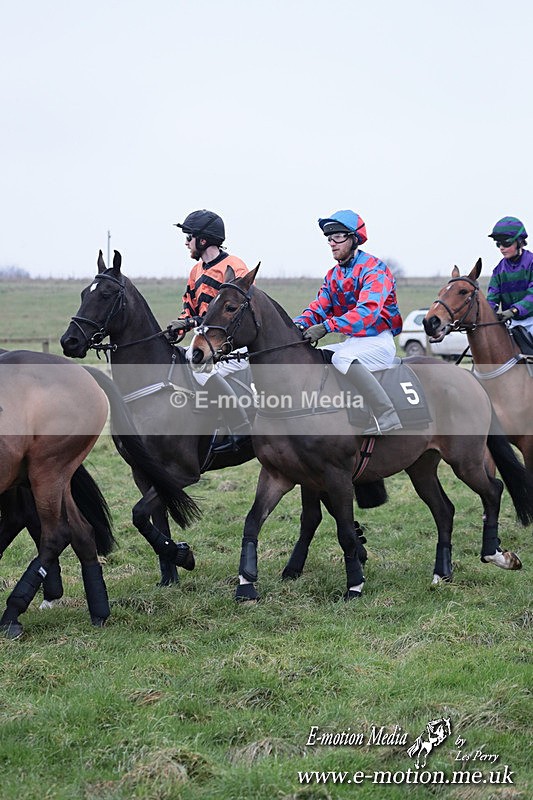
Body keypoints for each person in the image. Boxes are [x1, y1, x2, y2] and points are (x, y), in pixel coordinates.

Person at [294, 210, 403, 435]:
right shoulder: (333, 275)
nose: (332, 243)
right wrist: (297, 325)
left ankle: (387, 413)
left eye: (338, 237)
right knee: (318, 356)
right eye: (329, 239)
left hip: (378, 342)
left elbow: (367, 313)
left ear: (354, 238)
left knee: (341, 357)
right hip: (354, 343)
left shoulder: (375, 269)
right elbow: (319, 308)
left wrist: (327, 327)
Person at [167, 209, 251, 450]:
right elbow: (190, 309)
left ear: (202, 240)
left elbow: (236, 312)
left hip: (232, 345)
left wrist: (192, 323)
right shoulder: (196, 271)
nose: (185, 242)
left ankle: (240, 426)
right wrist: (179, 327)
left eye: (188, 237)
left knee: (198, 370)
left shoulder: (234, 266)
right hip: (205, 343)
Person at [487, 216, 533, 333]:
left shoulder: (531, 263)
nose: (501, 248)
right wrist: (487, 311)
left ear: (520, 242)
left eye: (506, 243)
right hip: (511, 323)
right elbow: (492, 298)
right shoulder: (498, 270)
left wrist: (513, 310)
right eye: (498, 244)